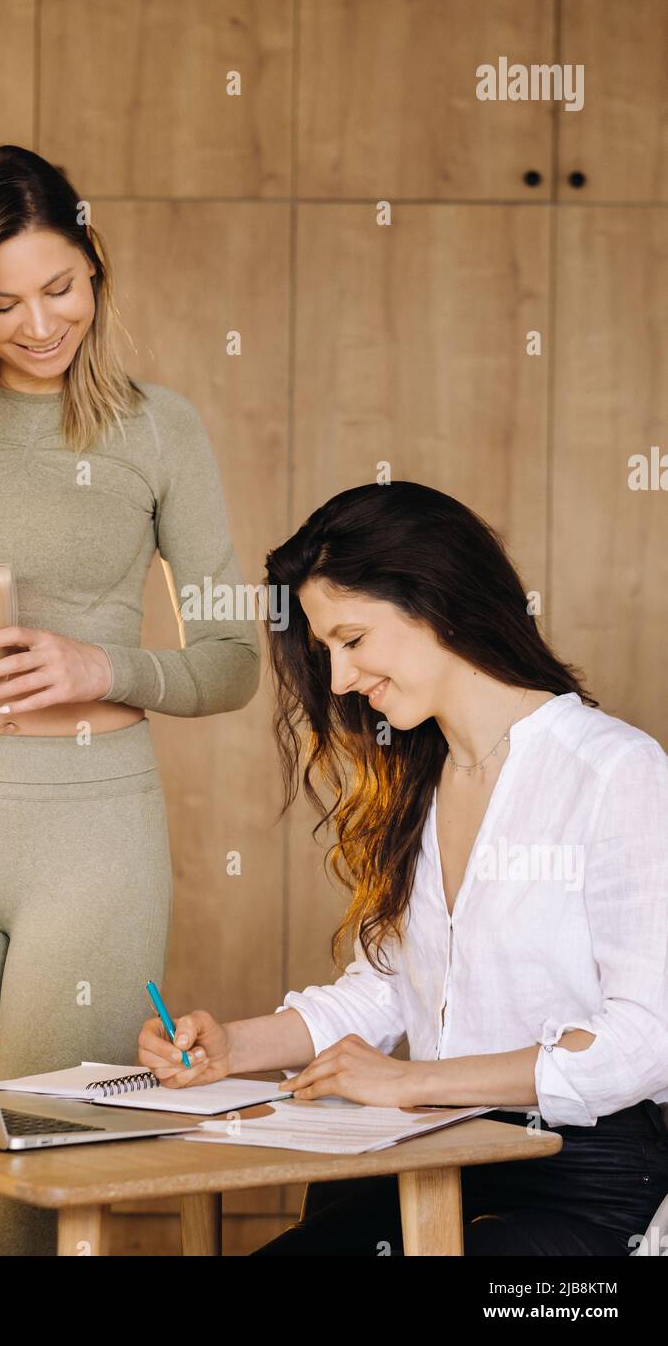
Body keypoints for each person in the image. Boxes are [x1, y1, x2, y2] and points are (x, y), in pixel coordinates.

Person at [0, 144, 260, 1255]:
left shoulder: (160, 428)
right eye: (0, 302)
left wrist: (98, 668)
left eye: (60, 288)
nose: (37, 325)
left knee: (35, 1162)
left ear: (95, 272)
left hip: (89, 831)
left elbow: (229, 658)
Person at [138, 480, 668, 1255]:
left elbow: (646, 1037)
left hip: (583, 1176)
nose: (342, 680)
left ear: (436, 599)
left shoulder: (616, 771)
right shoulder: (416, 778)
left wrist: (413, 1083)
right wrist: (234, 1048)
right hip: (436, 1155)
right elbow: (388, 990)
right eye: (328, 652)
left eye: (352, 641)